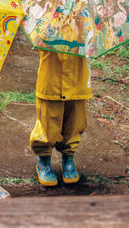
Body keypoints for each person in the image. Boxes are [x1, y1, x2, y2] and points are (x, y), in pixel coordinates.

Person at [29, 51, 92, 186]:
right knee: (48, 120)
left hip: (77, 74)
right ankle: (44, 158)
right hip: (51, 76)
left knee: (75, 118)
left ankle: (68, 156)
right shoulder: (48, 28)